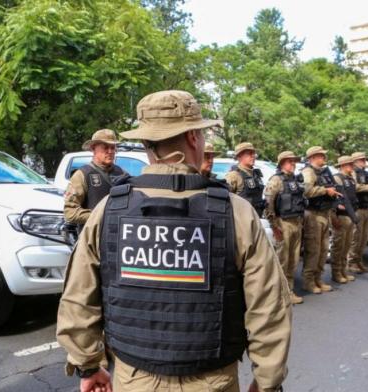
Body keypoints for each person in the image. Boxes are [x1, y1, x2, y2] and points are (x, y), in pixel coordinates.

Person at [57, 90, 291, 392]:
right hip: (213, 382)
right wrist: (268, 382)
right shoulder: (235, 212)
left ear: (145, 142)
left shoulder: (108, 211)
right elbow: (269, 307)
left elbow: (78, 298)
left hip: (134, 380)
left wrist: (88, 366)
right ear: (193, 136)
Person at [63, 129, 126, 232]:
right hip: (91, 241)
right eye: (105, 147)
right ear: (93, 148)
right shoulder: (82, 175)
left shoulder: (123, 174)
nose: (110, 151)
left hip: (117, 240)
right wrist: (101, 216)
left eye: (113, 147)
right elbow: (70, 212)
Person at [264, 151, 305, 304]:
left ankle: (289, 290)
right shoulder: (276, 180)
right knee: (282, 260)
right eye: (290, 161)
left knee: (293, 260)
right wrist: (274, 226)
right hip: (283, 224)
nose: (293, 164)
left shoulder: (295, 180)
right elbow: (268, 204)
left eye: (294, 161)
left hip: (296, 222)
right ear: (282, 163)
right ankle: (280, 294)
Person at [301, 146, 342, 294]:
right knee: (313, 250)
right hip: (313, 214)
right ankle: (308, 281)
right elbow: (307, 191)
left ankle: (318, 279)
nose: (323, 158)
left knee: (324, 249)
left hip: (324, 213)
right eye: (320, 156)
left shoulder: (323, 172)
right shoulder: (308, 172)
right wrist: (325, 190)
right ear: (312, 157)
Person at [329, 156, 358, 284]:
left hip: (350, 215)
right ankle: (336, 272)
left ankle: (342, 270)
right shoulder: (337, 178)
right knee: (338, 245)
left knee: (346, 245)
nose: (352, 166)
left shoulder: (351, 179)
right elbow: (334, 198)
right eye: (350, 164)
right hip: (341, 215)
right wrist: (336, 208)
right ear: (343, 165)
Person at [225, 142, 266, 217]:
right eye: (249, 154)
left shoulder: (256, 174)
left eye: (253, 153)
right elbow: (225, 200)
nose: (253, 156)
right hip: (242, 220)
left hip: (257, 217)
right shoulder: (234, 175)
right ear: (239, 156)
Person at [347, 151, 368, 273]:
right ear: (355, 161)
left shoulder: (365, 173)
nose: (364, 161)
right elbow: (355, 187)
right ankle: (351, 262)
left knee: (363, 238)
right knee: (356, 237)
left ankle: (358, 261)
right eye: (361, 159)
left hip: (366, 208)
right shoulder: (352, 172)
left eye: (364, 159)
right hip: (357, 208)